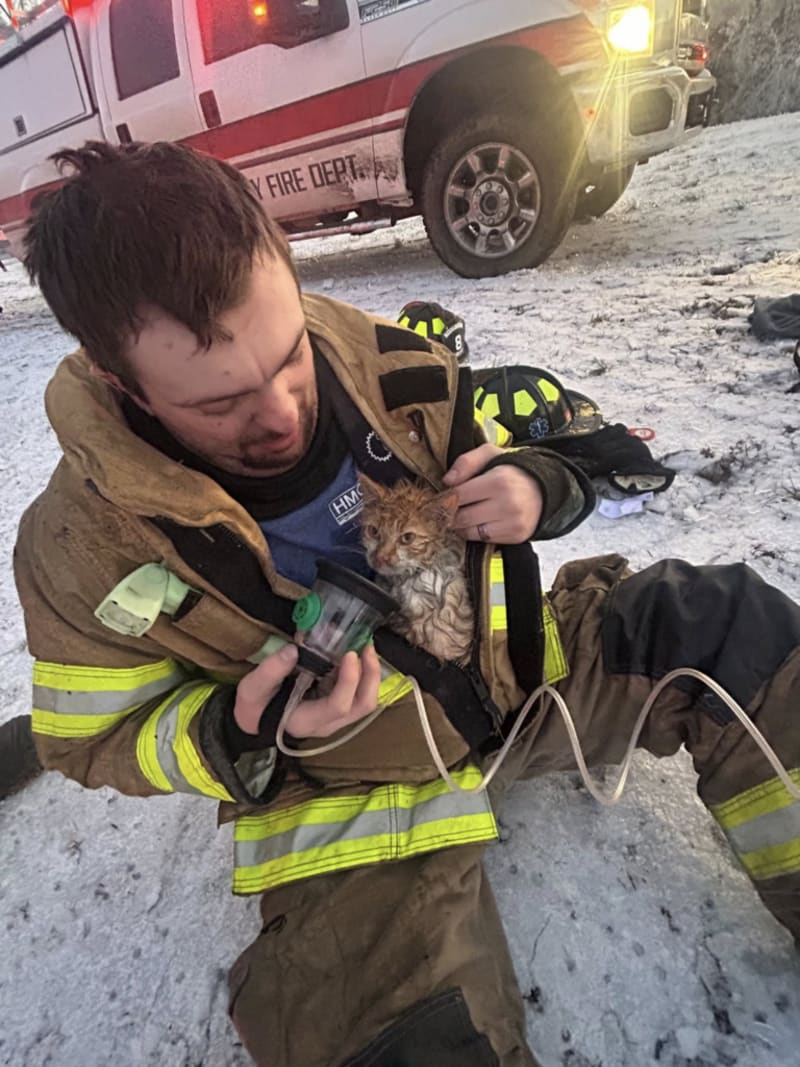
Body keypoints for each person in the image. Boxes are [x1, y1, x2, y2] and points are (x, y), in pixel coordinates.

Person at [15, 141, 800, 1067]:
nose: (281, 412)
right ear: (122, 384)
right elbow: (89, 735)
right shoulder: (79, 546)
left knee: (730, 626)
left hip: (524, 679)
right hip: (351, 797)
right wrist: (232, 729)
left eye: (288, 355)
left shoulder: (400, 368)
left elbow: (567, 446)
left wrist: (540, 484)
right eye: (222, 401)